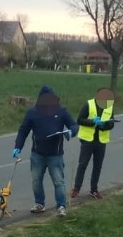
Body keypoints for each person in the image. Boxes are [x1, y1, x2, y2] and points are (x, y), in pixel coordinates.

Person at [12, 86, 78, 216]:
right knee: (36, 181)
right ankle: (39, 203)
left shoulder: (61, 111)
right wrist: (18, 146)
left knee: (58, 181)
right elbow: (23, 130)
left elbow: (73, 124)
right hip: (37, 154)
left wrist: (71, 132)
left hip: (55, 154)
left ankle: (61, 206)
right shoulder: (32, 112)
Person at [70, 86, 115, 200]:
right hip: (88, 140)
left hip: (101, 141)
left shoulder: (109, 106)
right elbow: (80, 120)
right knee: (83, 164)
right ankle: (76, 188)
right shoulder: (88, 104)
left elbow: (112, 123)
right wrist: (93, 122)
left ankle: (94, 190)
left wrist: (104, 125)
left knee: (97, 166)